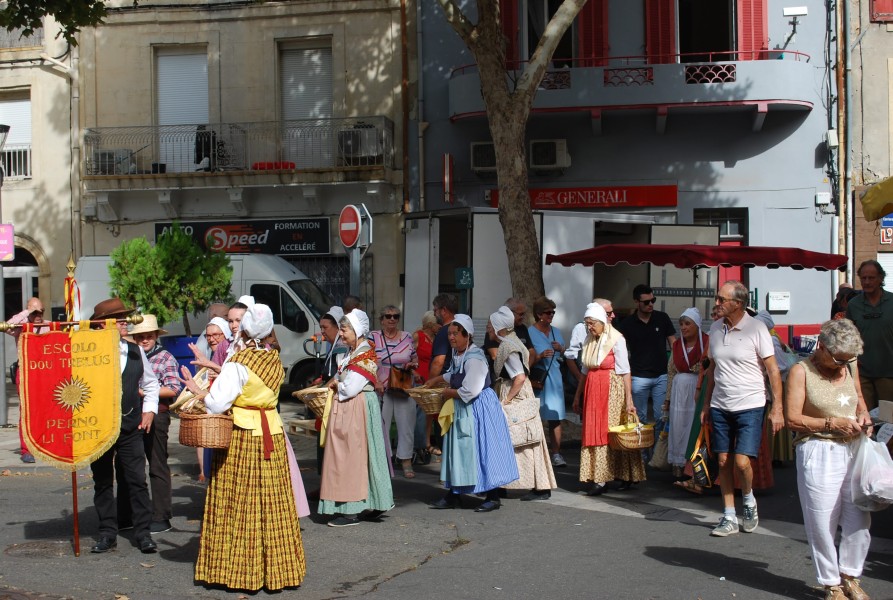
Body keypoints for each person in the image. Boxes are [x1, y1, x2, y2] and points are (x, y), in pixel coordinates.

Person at [182, 302, 306, 591]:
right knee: (274, 503)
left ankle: (239, 571)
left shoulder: (238, 363)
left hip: (242, 434)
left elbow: (216, 403)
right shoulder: (274, 358)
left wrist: (200, 392)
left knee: (238, 501)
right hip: (271, 434)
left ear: (246, 328)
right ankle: (279, 571)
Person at [785, 319, 873, 600]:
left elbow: (858, 396)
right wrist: (831, 424)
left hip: (854, 447)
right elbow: (792, 419)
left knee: (859, 515)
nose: (843, 365)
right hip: (819, 448)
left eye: (849, 359)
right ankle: (830, 582)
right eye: (838, 359)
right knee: (822, 519)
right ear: (821, 346)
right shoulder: (802, 371)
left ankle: (850, 574)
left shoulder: (849, 363)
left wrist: (864, 415)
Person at [703, 281, 784, 537]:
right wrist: (706, 404)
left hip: (750, 404)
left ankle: (748, 500)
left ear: (737, 303)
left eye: (721, 299)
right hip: (720, 404)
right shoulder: (715, 329)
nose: (716, 303)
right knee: (724, 460)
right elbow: (712, 370)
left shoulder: (757, 328)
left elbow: (773, 370)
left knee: (741, 462)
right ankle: (728, 516)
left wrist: (778, 408)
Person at [88, 298, 159, 555]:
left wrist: (149, 410)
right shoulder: (87, 353)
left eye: (125, 317)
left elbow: (151, 384)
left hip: (130, 426)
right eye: (119, 319)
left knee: (136, 481)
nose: (125, 322)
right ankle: (107, 533)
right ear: (101, 325)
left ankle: (143, 533)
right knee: (103, 482)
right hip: (98, 428)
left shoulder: (134, 350)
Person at [428, 315, 519, 512]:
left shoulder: (475, 358)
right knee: (460, 451)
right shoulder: (460, 354)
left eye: (455, 334)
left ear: (466, 335)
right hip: (465, 407)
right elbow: (456, 374)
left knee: (483, 449)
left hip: (479, 409)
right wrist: (436, 380)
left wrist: (445, 392)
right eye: (450, 334)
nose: (451, 337)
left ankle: (493, 496)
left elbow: (470, 390)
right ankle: (455, 493)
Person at [319, 310, 395, 527]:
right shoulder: (355, 353)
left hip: (355, 407)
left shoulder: (364, 355)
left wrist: (336, 385)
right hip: (355, 407)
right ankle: (374, 502)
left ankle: (351, 509)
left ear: (357, 331)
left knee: (351, 458)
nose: (341, 334)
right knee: (363, 456)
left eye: (344, 330)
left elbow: (350, 388)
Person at [573, 302, 643, 495]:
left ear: (602, 322)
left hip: (611, 389)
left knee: (608, 431)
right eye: (587, 323)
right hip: (593, 388)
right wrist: (578, 395)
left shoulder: (616, 339)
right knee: (593, 430)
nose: (589, 327)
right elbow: (585, 371)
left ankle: (605, 477)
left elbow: (625, 370)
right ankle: (595, 474)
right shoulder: (589, 340)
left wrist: (629, 400)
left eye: (592, 323)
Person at [489, 306, 556, 501]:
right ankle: (504, 484)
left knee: (521, 438)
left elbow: (518, 376)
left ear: (499, 328)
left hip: (516, 392)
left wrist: (506, 399)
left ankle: (539, 487)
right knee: (520, 439)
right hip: (518, 390)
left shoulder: (507, 347)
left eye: (490, 326)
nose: (488, 330)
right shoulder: (513, 341)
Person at [125, 315, 182, 535]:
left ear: (156, 336)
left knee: (157, 463)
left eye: (148, 336)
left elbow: (173, 388)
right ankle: (133, 513)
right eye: (140, 337)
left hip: (157, 414)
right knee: (130, 465)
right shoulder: (130, 355)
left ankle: (162, 516)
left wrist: (144, 392)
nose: (144, 340)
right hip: (132, 413)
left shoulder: (165, 357)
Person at [616, 284, 677, 429]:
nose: (651, 304)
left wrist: (676, 366)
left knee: (660, 416)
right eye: (646, 302)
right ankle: (643, 451)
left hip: (661, 375)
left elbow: (674, 344)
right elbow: (618, 349)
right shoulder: (627, 324)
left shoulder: (662, 318)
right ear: (636, 302)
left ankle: (657, 451)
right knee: (639, 417)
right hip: (638, 376)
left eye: (653, 300)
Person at [369, 306, 419, 478]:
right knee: (380, 425)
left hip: (403, 385)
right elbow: (367, 361)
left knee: (406, 426)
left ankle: (406, 461)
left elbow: (413, 357)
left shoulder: (407, 336)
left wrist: (412, 365)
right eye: (388, 316)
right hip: (381, 387)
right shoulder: (373, 337)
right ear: (381, 319)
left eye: (395, 316)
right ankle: (384, 461)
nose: (392, 319)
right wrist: (375, 381)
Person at [664, 308, 708, 479]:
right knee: (678, 425)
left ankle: (693, 465)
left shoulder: (707, 342)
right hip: (679, 391)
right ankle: (677, 463)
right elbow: (671, 372)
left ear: (697, 325)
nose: (683, 327)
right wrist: (667, 399)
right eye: (681, 324)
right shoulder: (676, 346)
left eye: (687, 324)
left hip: (697, 389)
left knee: (694, 426)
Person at [846, 259, 893, 410]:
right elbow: (847, 336)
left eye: (871, 278)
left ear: (881, 278)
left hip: (889, 373)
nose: (866, 282)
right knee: (865, 417)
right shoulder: (853, 305)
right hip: (862, 373)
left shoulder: (892, 301)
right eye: (863, 278)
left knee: (888, 419)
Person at [7, 297, 47, 463]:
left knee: (46, 409)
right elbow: (7, 326)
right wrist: (26, 313)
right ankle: (27, 449)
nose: (38, 315)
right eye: (35, 312)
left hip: (45, 372)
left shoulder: (48, 326)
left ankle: (45, 445)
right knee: (27, 412)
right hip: (25, 372)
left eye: (41, 311)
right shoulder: (20, 327)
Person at [528, 296, 566, 468]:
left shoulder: (555, 331)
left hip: (555, 378)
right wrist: (540, 356)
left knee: (555, 418)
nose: (551, 315)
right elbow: (526, 359)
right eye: (547, 312)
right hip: (538, 379)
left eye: (553, 312)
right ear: (538, 314)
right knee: (535, 417)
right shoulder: (530, 332)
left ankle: (556, 454)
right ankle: (537, 453)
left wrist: (561, 349)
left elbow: (564, 355)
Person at [565, 298, 615, 388]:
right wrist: (581, 380)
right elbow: (570, 357)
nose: (613, 316)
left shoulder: (613, 332)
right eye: (609, 313)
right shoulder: (581, 329)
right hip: (586, 383)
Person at [413, 310, 442, 456]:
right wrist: (414, 372)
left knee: (430, 413)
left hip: (432, 378)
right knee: (421, 413)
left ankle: (427, 443)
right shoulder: (418, 335)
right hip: (420, 378)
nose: (440, 326)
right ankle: (419, 445)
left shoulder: (436, 338)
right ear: (431, 324)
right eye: (438, 324)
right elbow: (408, 355)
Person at [484, 297, 535, 368]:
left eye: (524, 314)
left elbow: (531, 352)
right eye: (521, 314)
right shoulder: (495, 330)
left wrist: (526, 369)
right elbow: (495, 355)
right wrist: (518, 371)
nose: (523, 317)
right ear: (509, 313)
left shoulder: (522, 328)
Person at [429, 293, 458, 378]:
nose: (434, 314)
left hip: (441, 382)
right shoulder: (460, 328)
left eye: (435, 310)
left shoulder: (444, 331)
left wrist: (429, 384)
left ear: (444, 310)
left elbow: (438, 362)